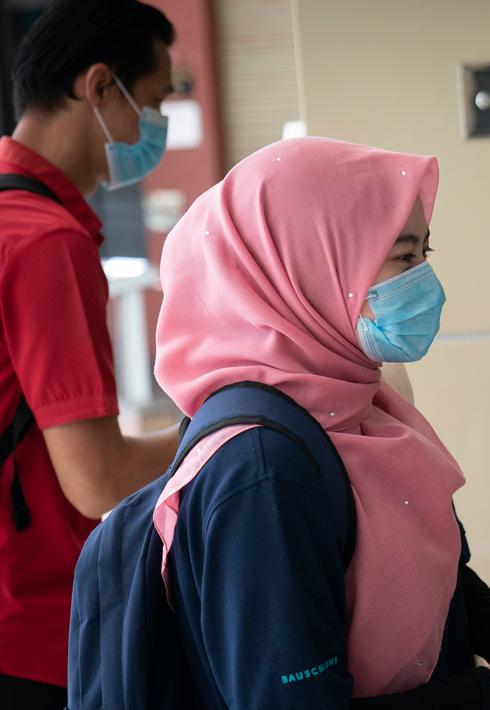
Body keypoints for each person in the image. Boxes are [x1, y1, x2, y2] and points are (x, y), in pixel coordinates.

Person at [126, 136, 490, 709]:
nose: (422, 280)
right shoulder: (263, 474)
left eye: (424, 254)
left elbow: (422, 572)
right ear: (314, 267)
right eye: (402, 257)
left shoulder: (352, 407)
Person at [0, 1, 180, 705]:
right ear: (100, 86)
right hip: (28, 626)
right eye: (154, 102)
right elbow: (99, 479)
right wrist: (223, 428)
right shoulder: (45, 242)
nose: (151, 130)